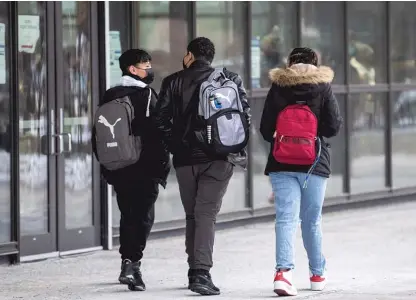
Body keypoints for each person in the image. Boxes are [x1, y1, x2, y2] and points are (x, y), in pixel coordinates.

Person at [154, 37, 251, 296]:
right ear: (211, 56)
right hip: (219, 158)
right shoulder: (229, 79)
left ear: (189, 55)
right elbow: (245, 118)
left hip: (186, 160)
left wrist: (176, 145)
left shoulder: (173, 81)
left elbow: (160, 121)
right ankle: (201, 273)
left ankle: (194, 270)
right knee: (206, 214)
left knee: (193, 215)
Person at [259, 47, 342, 296]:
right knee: (311, 221)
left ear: (290, 62)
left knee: (286, 218)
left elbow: (264, 128)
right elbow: (333, 126)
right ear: (316, 63)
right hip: (315, 163)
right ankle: (317, 274)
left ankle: (283, 274)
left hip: (281, 163)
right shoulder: (323, 86)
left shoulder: (278, 86)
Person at [92, 49, 170, 292]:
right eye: (144, 65)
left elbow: (99, 135)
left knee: (128, 214)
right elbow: (155, 132)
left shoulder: (110, 95)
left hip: (118, 166)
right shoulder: (145, 95)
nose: (149, 68)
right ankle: (132, 265)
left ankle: (127, 261)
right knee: (144, 217)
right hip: (144, 166)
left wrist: (106, 164)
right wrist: (162, 165)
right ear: (132, 69)